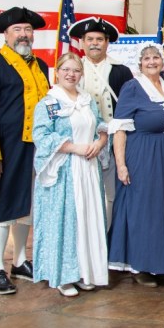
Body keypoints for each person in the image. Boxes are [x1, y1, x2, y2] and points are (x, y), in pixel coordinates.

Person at [0, 7, 50, 295]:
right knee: (4, 205)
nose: (24, 34)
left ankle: (20, 261)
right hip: (8, 147)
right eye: (17, 29)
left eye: (28, 30)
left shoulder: (41, 65)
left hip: (39, 146)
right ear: (6, 34)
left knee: (28, 205)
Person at [107, 43, 164, 286]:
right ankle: (140, 264)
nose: (152, 62)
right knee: (144, 209)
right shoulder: (132, 87)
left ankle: (163, 263)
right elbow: (120, 129)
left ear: (163, 62)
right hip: (143, 153)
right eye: (147, 59)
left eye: (156, 58)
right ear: (140, 64)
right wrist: (121, 165)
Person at [32, 52, 109, 297]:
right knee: (66, 220)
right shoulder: (49, 103)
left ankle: (85, 272)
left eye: (76, 70)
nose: (71, 74)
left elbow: (100, 124)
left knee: (87, 219)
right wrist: (74, 148)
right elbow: (41, 136)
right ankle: (63, 275)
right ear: (57, 72)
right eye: (66, 69)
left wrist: (100, 142)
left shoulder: (87, 100)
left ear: (81, 74)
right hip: (65, 169)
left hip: (88, 169)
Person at [68, 17, 133, 230]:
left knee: (110, 192)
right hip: (82, 140)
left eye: (99, 39)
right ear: (82, 42)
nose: (94, 43)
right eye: (90, 39)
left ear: (107, 42)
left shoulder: (121, 71)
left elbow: (128, 108)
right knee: (82, 190)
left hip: (113, 139)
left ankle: (107, 235)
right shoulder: (72, 69)